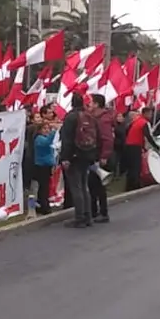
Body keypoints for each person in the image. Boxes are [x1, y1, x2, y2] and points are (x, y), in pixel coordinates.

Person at [59, 93, 101, 228]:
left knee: (76, 187)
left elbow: (66, 140)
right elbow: (98, 136)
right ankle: (88, 216)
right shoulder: (90, 116)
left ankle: (80, 217)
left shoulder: (71, 117)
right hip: (87, 154)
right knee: (84, 186)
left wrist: (65, 157)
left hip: (74, 155)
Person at [87, 94, 114, 223]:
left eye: (91, 102)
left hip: (99, 156)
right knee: (93, 185)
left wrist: (104, 156)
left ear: (97, 104)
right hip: (95, 154)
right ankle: (95, 211)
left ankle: (102, 213)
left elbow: (107, 139)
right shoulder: (96, 118)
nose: (89, 104)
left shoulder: (103, 120)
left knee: (98, 185)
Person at [124, 107, 160, 192]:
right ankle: (135, 186)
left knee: (131, 167)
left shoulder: (136, 120)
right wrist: (157, 147)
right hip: (135, 146)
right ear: (145, 113)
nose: (151, 116)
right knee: (136, 167)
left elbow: (127, 130)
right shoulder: (144, 122)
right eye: (150, 114)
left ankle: (129, 186)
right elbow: (148, 136)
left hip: (128, 145)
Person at [32, 121, 57, 215]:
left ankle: (41, 204)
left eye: (48, 129)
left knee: (45, 186)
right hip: (41, 166)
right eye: (44, 128)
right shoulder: (39, 139)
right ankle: (44, 206)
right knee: (44, 187)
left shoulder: (45, 138)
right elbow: (47, 143)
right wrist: (53, 131)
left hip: (47, 165)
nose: (47, 130)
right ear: (39, 130)